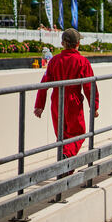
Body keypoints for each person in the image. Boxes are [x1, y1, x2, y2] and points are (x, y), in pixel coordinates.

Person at [34, 29, 100, 161]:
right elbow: (89, 86)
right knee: (78, 134)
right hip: (73, 101)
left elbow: (44, 84)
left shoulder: (54, 61)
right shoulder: (82, 61)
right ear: (78, 44)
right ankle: (66, 157)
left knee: (62, 137)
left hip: (56, 101)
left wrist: (39, 105)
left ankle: (64, 169)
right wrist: (94, 106)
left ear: (62, 43)